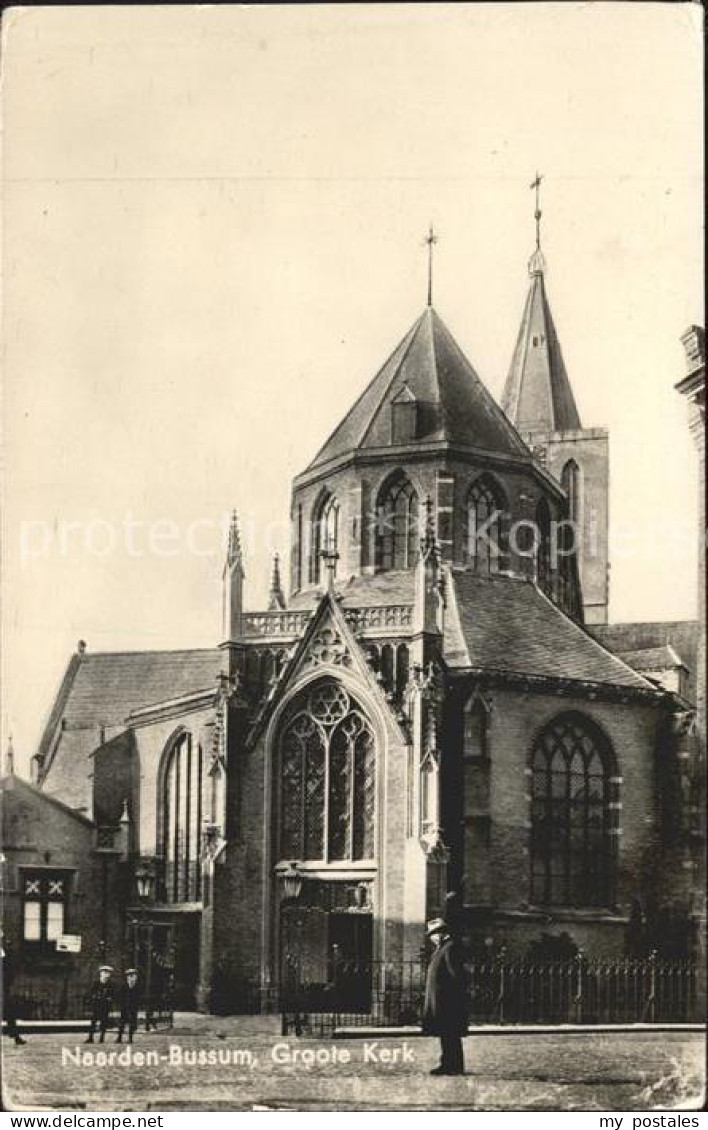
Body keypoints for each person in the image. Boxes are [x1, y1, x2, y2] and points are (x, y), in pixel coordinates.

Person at [422, 917, 469, 1076]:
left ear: (442, 933)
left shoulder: (450, 948)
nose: (432, 938)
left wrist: (454, 997)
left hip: (447, 1000)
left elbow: (455, 974)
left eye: (434, 934)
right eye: (431, 935)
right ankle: (448, 1063)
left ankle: (453, 1065)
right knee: (446, 1033)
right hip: (441, 999)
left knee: (450, 1034)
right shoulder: (442, 948)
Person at [1, 937, 27, 1046]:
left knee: (10, 1010)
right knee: (9, 1010)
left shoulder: (4, 953)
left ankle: (15, 1034)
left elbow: (9, 970)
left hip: (3, 987)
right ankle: (15, 1035)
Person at [86, 964, 114, 1043]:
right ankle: (90, 1037)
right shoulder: (96, 983)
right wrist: (93, 997)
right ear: (100, 973)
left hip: (105, 1005)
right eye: (104, 972)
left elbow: (113, 994)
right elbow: (91, 992)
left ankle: (102, 1038)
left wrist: (110, 998)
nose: (106, 974)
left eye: (107, 973)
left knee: (104, 1022)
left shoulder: (111, 984)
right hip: (97, 1004)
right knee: (93, 1021)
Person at [116, 968, 140, 1044]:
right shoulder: (124, 986)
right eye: (130, 976)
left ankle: (130, 1038)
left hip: (133, 1007)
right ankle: (119, 1038)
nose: (132, 978)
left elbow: (139, 997)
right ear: (127, 977)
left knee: (132, 1023)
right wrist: (121, 1004)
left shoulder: (137, 987)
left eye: (133, 976)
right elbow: (120, 996)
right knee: (122, 1022)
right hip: (125, 1007)